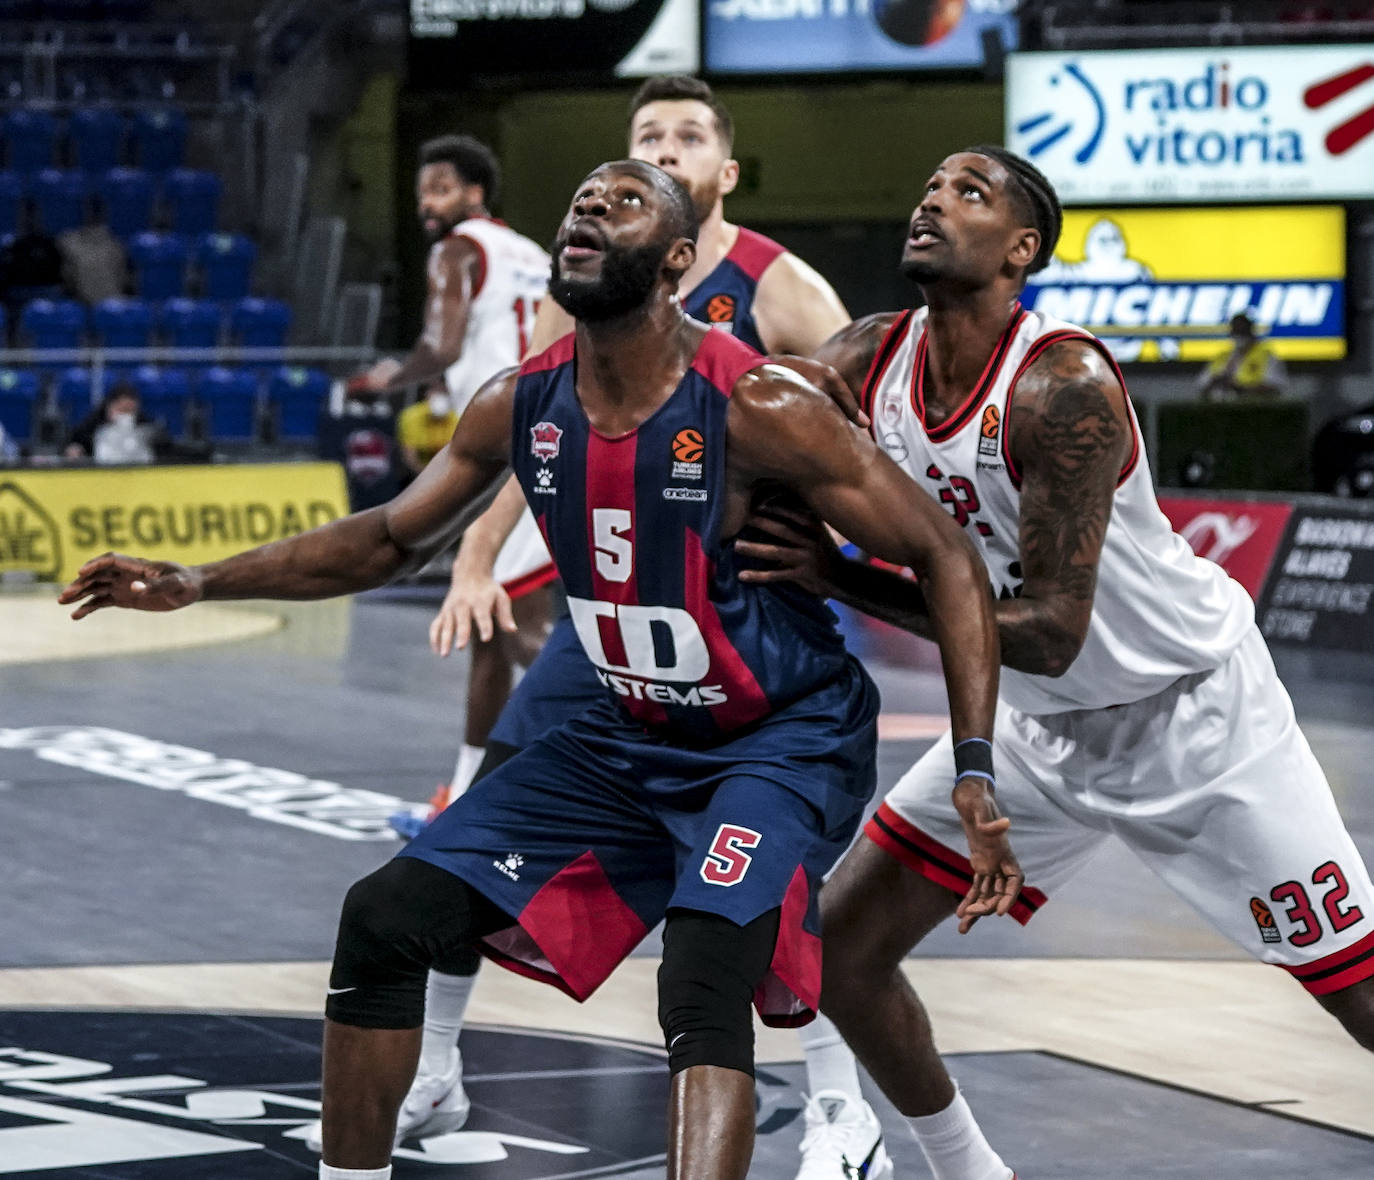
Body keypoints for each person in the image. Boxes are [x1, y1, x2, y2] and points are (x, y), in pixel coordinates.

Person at [60, 159, 1012, 1180]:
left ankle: (913, 1143)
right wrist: (198, 580)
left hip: (778, 739)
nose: (590, 207)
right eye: (581, 199)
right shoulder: (519, 402)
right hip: (629, 736)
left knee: (702, 974)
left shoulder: (757, 402)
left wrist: (972, 761)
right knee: (383, 920)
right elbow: (388, 540)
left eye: (624, 199)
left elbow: (946, 557)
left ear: (678, 260)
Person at [734, 145, 1374, 1180]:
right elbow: (738, 420)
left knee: (1361, 998)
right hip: (1034, 723)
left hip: (1192, 722)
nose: (933, 199)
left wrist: (837, 577)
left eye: (969, 193)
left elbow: (1048, 628)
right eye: (930, 184)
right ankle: (972, 1171)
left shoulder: (1060, 384)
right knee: (835, 954)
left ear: (1021, 249)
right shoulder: (866, 356)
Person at [416, 75, 883, 1176]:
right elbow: (532, 441)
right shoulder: (581, 281)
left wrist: (836, 559)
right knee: (482, 815)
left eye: (685, 136)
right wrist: (475, 559)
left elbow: (864, 457)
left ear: (723, 173)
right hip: (611, 620)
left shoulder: (787, 288)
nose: (662, 148)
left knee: (763, 878)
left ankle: (838, 1105)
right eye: (643, 136)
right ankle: (434, 1065)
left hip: (748, 627)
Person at [352, 133, 557, 844]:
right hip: (554, 425)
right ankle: (467, 798)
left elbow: (440, 345)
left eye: (438, 187)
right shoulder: (534, 252)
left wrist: (385, 377)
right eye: (420, 191)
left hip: (515, 440)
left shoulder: (456, 251)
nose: (425, 205)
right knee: (493, 633)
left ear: (474, 192)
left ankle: (638, 772)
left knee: (529, 630)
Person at [64, 383, 167, 465]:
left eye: (129, 410)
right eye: (122, 409)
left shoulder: (145, 426)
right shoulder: (92, 425)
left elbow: (165, 447)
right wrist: (76, 448)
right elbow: (76, 443)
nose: (125, 414)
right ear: (109, 406)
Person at [1198, 311, 1287, 400]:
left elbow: (1275, 386)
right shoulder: (1223, 357)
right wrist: (1216, 381)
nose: (1239, 336)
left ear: (1251, 331)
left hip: (1256, 408)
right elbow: (1202, 384)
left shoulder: (1267, 355)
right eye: (1236, 331)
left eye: (1242, 331)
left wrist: (1241, 388)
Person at [394, 380, 458, 481]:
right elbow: (409, 457)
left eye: (443, 391)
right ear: (427, 394)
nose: (439, 395)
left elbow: (456, 455)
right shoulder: (411, 416)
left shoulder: (454, 417)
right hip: (416, 475)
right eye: (435, 391)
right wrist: (428, 478)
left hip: (445, 474)